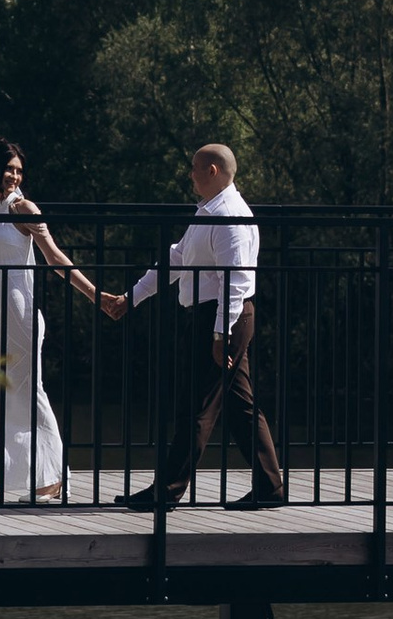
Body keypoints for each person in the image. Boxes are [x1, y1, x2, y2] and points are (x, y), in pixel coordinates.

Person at [103, 141, 284, 511]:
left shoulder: (229, 216)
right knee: (240, 406)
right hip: (219, 317)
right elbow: (178, 257)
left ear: (212, 171)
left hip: (221, 318)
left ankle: (166, 491)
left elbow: (236, 281)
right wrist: (131, 297)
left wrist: (220, 334)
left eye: (194, 168)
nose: (191, 175)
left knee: (198, 406)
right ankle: (269, 487)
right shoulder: (209, 211)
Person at [0, 136, 95, 504]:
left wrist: (96, 294)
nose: (14, 176)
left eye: (19, 171)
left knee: (29, 392)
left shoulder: (24, 209)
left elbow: (55, 258)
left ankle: (52, 478)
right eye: (8, 169)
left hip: (20, 314)